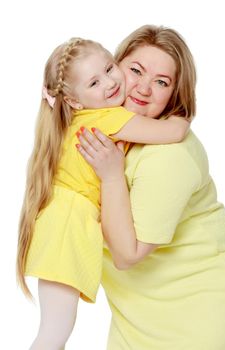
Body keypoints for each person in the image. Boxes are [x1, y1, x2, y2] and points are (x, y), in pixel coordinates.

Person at [16, 37, 189, 349]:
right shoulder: (109, 117)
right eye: (95, 82)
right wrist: (182, 112)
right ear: (75, 101)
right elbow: (174, 132)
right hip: (68, 226)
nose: (110, 83)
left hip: (60, 222)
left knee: (54, 331)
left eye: (110, 68)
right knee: (53, 334)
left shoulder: (81, 118)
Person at [77, 25, 225, 349]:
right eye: (135, 70)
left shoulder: (168, 156)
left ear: (174, 95)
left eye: (161, 82)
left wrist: (110, 176)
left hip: (196, 319)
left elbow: (126, 255)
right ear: (112, 66)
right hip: (135, 319)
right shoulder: (109, 130)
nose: (143, 89)